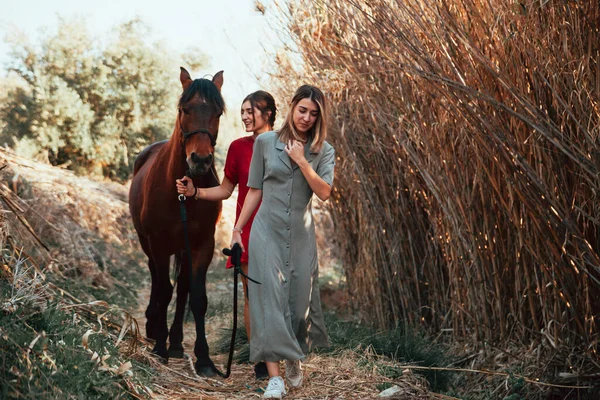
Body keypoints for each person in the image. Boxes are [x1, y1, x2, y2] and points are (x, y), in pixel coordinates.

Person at [230, 85, 335, 399]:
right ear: (292, 108)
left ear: (319, 118)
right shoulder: (265, 142)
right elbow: (255, 191)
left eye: (313, 113)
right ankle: (274, 378)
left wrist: (303, 161)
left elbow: (325, 193)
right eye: (302, 110)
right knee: (268, 300)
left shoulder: (323, 151)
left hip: (300, 234)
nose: (306, 117)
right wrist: (237, 229)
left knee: (299, 304)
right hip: (266, 231)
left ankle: (294, 355)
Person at [176, 90, 277, 380]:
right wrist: (196, 192)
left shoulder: (285, 145)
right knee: (252, 296)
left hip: (282, 228)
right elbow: (226, 190)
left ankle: (287, 357)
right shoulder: (237, 148)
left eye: (251, 111)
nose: (245, 116)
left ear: (268, 114)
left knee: (282, 296)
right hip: (249, 230)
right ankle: (261, 361)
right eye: (242, 111)